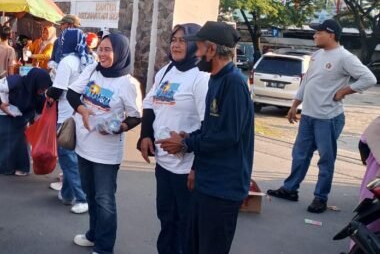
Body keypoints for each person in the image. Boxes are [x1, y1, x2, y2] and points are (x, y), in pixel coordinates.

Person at [156, 21, 254, 254]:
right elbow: (210, 128)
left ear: (211, 50)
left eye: (198, 48)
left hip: (224, 187)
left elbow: (227, 136)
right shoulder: (216, 79)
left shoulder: (234, 83)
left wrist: (186, 143)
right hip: (207, 183)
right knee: (192, 244)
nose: (196, 54)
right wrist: (189, 136)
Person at [267, 19, 377, 213]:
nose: (314, 36)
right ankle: (290, 189)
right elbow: (307, 81)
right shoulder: (317, 55)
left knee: (326, 159)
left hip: (328, 117)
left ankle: (320, 198)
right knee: (299, 155)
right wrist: (294, 105)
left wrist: (345, 91)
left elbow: (369, 78)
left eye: (318, 33)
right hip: (308, 115)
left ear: (331, 34)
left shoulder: (345, 57)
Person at [67, 33, 143, 254]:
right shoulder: (92, 70)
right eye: (100, 48)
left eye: (108, 49)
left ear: (120, 53)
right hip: (83, 145)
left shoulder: (128, 84)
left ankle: (104, 246)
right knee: (90, 194)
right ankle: (93, 234)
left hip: (106, 153)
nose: (102, 53)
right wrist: (83, 111)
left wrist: (119, 127)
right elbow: (72, 93)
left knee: (104, 200)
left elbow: (136, 115)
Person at [138, 24, 209, 254]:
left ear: (195, 45)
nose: (176, 44)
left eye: (183, 40)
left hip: (187, 168)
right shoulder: (166, 70)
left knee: (185, 224)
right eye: (174, 39)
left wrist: (196, 167)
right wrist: (145, 135)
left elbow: (208, 125)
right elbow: (149, 103)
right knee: (166, 217)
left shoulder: (201, 78)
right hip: (164, 163)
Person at [46, 28, 94, 215]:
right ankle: (67, 194)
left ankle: (82, 198)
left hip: (67, 114)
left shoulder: (66, 62)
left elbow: (58, 89)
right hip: (82, 114)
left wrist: (48, 94)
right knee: (74, 154)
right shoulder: (89, 60)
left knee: (67, 156)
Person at [0, 67, 52, 176]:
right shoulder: (15, 81)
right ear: (34, 83)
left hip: (19, 113)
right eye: (42, 88)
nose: (43, 91)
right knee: (5, 140)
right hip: (1, 110)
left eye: (45, 88)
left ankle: (21, 167)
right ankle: (5, 168)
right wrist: (1, 105)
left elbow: (38, 112)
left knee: (20, 140)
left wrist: (35, 126)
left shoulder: (39, 95)